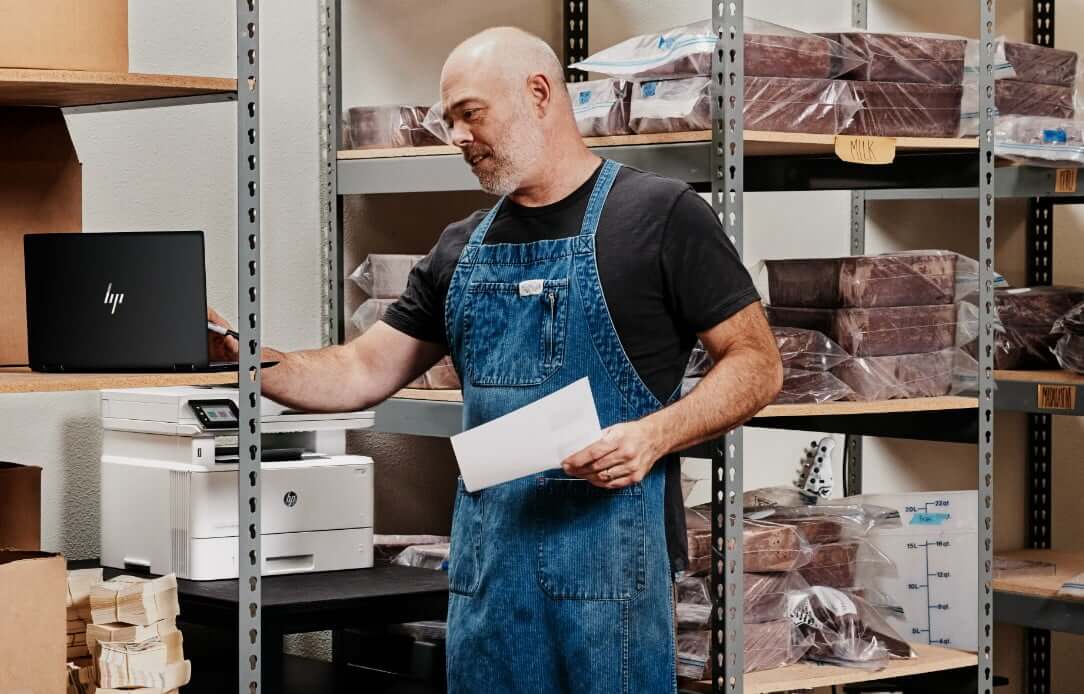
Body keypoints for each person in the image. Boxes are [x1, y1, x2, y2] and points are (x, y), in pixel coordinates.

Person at [209, 26, 781, 694]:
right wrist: (250, 362)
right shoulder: (460, 248)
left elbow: (757, 362)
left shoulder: (660, 217)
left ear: (539, 94)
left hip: (607, 582)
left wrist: (654, 435)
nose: (456, 137)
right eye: (448, 120)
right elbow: (360, 370)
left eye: (470, 114)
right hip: (489, 583)